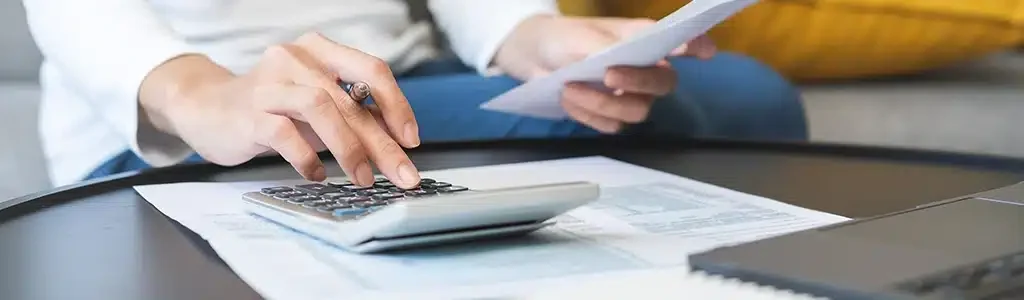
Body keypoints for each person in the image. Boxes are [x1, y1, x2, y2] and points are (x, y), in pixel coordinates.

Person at [23, 0, 807, 190]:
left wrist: (529, 36)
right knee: (659, 121)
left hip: (395, 74)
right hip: (180, 103)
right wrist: (201, 98)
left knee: (751, 95)